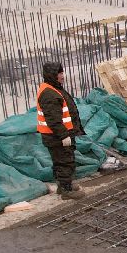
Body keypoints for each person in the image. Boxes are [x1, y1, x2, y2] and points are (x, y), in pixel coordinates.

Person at [35, 61, 84, 198]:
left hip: (57, 135)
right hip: (56, 136)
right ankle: (66, 190)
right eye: (59, 73)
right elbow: (53, 120)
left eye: (62, 73)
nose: (62, 76)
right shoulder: (49, 94)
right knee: (64, 161)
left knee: (62, 160)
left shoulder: (53, 88)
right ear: (52, 75)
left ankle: (63, 185)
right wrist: (64, 135)